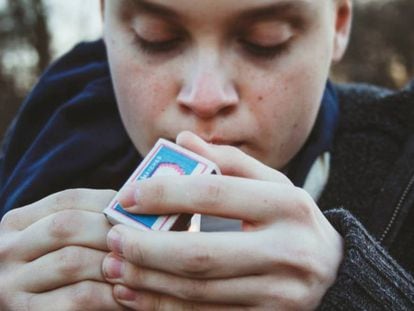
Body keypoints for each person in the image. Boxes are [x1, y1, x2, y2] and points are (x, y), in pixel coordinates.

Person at [0, 0, 413, 309]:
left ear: (338, 24)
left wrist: (353, 288)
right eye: (155, 37)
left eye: (265, 41)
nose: (206, 97)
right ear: (105, 19)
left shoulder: (402, 163)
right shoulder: (39, 146)